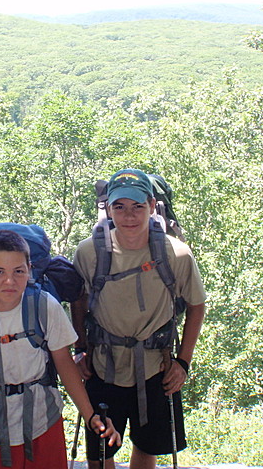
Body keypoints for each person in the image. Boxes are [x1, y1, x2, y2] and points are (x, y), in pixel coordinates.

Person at [0, 229, 121, 469]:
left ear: (29, 270)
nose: (10, 281)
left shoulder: (45, 306)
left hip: (44, 421)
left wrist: (90, 415)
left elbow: (64, 362)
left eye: (18, 271)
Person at [71, 168, 207, 469]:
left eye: (137, 207)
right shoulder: (89, 252)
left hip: (155, 368)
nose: (128, 216)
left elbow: (197, 305)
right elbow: (78, 301)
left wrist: (183, 362)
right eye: (119, 207)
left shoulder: (177, 254)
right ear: (108, 209)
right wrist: (80, 349)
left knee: (147, 448)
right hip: (103, 366)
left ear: (151, 206)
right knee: (100, 455)